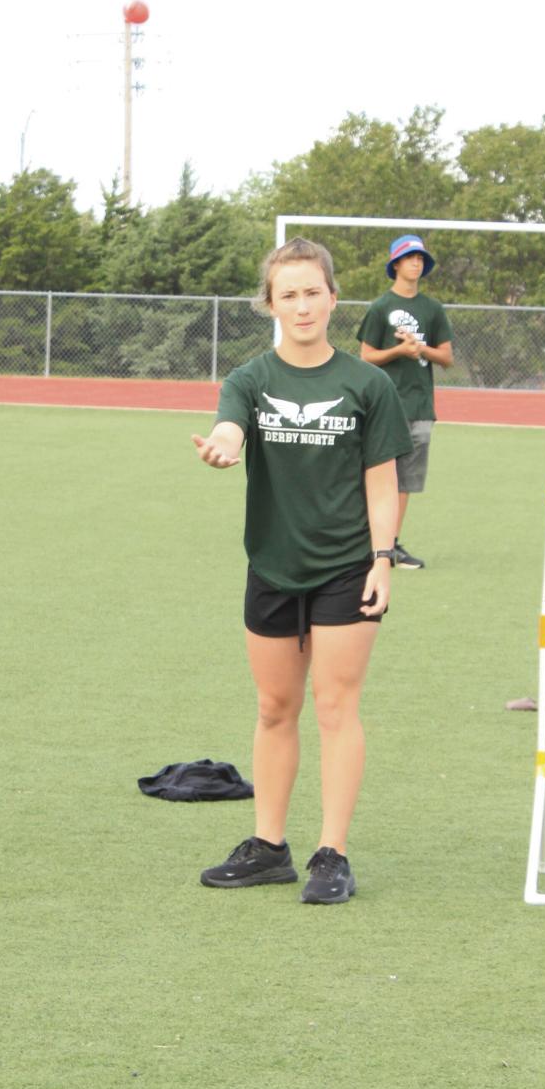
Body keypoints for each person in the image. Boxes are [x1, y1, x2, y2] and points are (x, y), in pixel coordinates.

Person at [192, 238, 410, 904]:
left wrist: (383, 558)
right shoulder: (251, 380)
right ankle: (268, 846)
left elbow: (383, 483)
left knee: (336, 707)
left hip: (347, 567)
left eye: (313, 290)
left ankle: (332, 853)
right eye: (288, 293)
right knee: (273, 706)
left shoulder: (367, 384)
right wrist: (223, 446)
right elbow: (229, 427)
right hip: (273, 566)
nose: (303, 303)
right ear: (271, 304)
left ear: (334, 297)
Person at [355, 233, 454, 569]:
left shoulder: (432, 309)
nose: (416, 262)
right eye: (410, 257)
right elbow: (365, 356)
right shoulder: (381, 307)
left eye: (421, 258)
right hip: (384, 405)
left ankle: (390, 545)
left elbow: (447, 357)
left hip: (420, 406)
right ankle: (361, 543)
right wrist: (399, 350)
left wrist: (420, 349)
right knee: (374, 472)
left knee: (406, 480)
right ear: (395, 263)